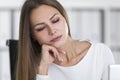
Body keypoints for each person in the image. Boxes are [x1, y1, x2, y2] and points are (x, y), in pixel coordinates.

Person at [16, 0, 115, 80]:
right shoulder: (37, 66)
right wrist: (43, 71)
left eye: (55, 20)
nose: (52, 31)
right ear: (33, 36)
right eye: (41, 28)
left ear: (64, 18)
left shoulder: (100, 53)